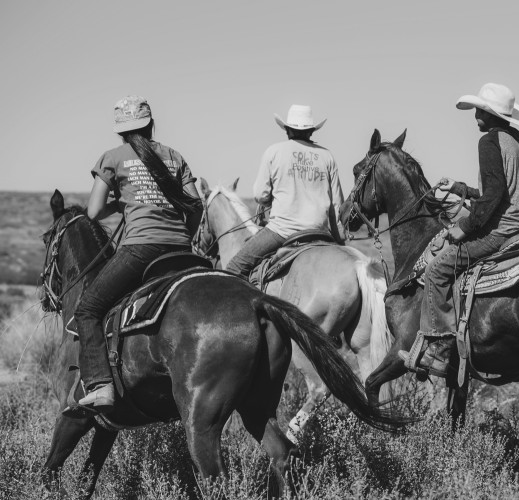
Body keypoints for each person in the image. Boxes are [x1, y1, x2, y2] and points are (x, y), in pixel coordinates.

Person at [399, 83, 519, 378]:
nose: (476, 114)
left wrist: (466, 226)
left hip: (503, 232)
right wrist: (461, 189)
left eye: (481, 110)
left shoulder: (489, 142)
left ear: (491, 116)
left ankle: (438, 351)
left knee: (437, 269)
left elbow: (493, 197)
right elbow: (501, 191)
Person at [73, 96, 202, 412]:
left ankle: (101, 386)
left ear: (120, 131)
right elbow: (196, 206)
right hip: (182, 250)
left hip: (141, 249)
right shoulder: (174, 157)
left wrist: (122, 203)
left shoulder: (113, 157)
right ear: (151, 124)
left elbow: (92, 211)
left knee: (88, 309)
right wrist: (184, 233)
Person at [225, 104, 345, 277]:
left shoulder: (274, 152)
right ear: (311, 131)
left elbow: (260, 195)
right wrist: (339, 239)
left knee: (234, 268)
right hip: (319, 232)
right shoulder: (327, 157)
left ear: (287, 130)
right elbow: (336, 205)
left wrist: (271, 199)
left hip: (281, 231)